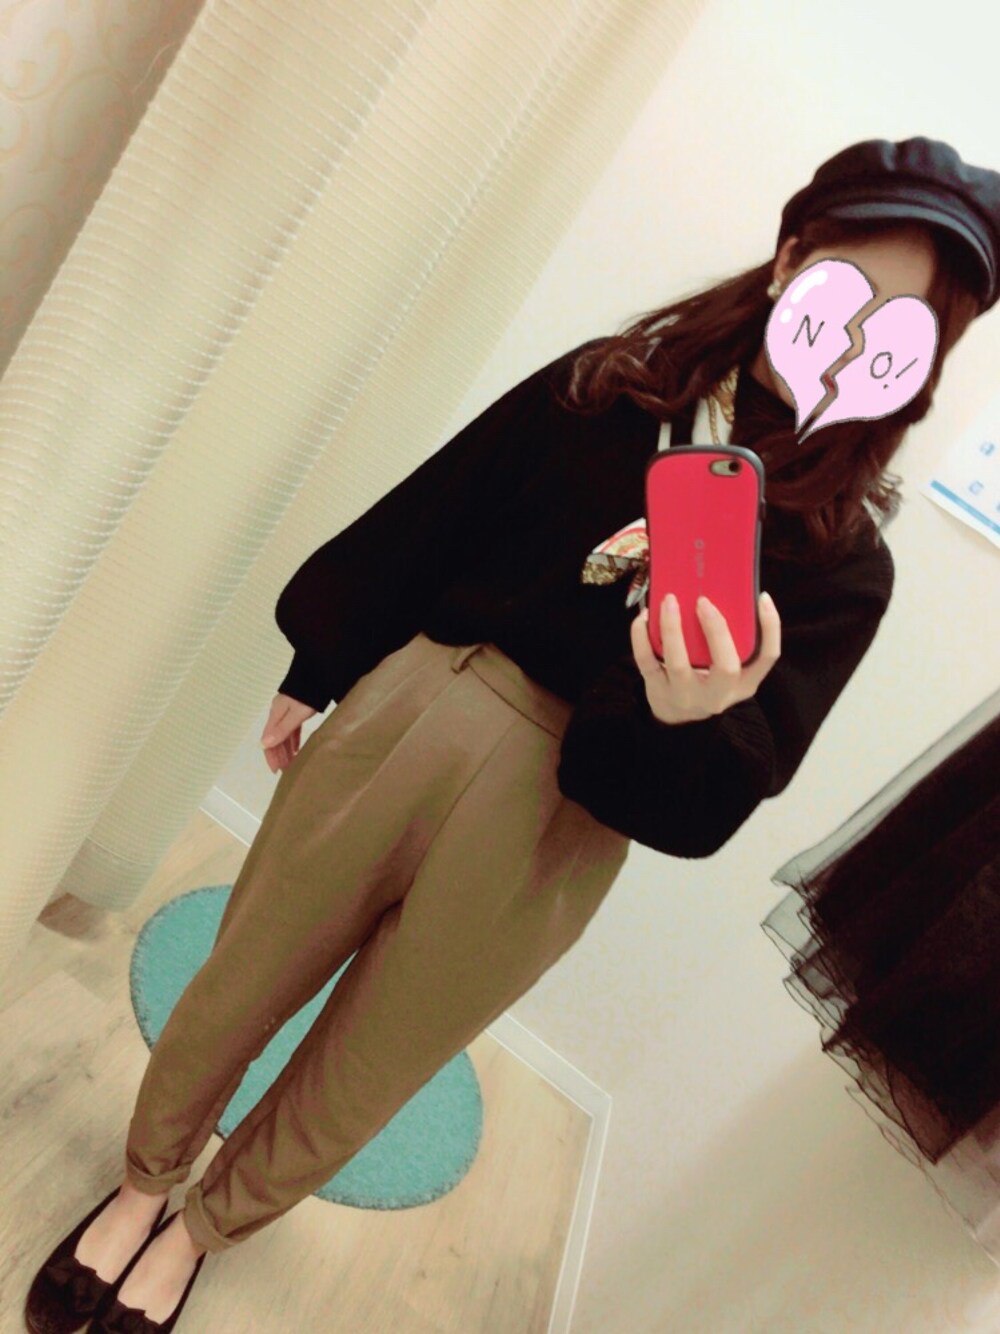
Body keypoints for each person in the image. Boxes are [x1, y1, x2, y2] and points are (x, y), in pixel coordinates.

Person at [26, 136, 1000, 1332]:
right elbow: (442, 509)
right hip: (423, 704)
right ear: (793, 255)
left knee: (372, 1064)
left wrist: (688, 717)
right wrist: (319, 660)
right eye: (846, 291)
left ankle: (202, 1228)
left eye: (902, 329)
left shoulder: (841, 563)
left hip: (564, 822)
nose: (853, 343)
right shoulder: (608, 387)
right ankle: (141, 1183)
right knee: (245, 968)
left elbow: (721, 791)